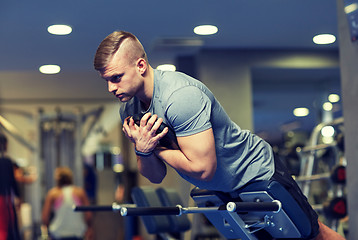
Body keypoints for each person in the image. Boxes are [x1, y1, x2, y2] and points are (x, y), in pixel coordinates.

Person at [93, 31, 345, 240]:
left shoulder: (180, 96)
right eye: (106, 81)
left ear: (140, 66)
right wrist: (143, 150)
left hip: (255, 172)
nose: (110, 88)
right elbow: (155, 175)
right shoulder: (129, 108)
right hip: (223, 187)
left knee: (312, 235)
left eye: (116, 78)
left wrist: (152, 148)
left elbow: (203, 169)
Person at [41, 167, 93, 240]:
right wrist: (89, 228)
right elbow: (88, 215)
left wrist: (46, 231)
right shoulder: (79, 192)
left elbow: (45, 217)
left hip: (58, 233)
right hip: (77, 233)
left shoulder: (53, 193)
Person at [0, 133, 21, 240]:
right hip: (3, 199)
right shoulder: (6, 162)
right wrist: (18, 196)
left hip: (4, 198)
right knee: (5, 228)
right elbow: (12, 181)